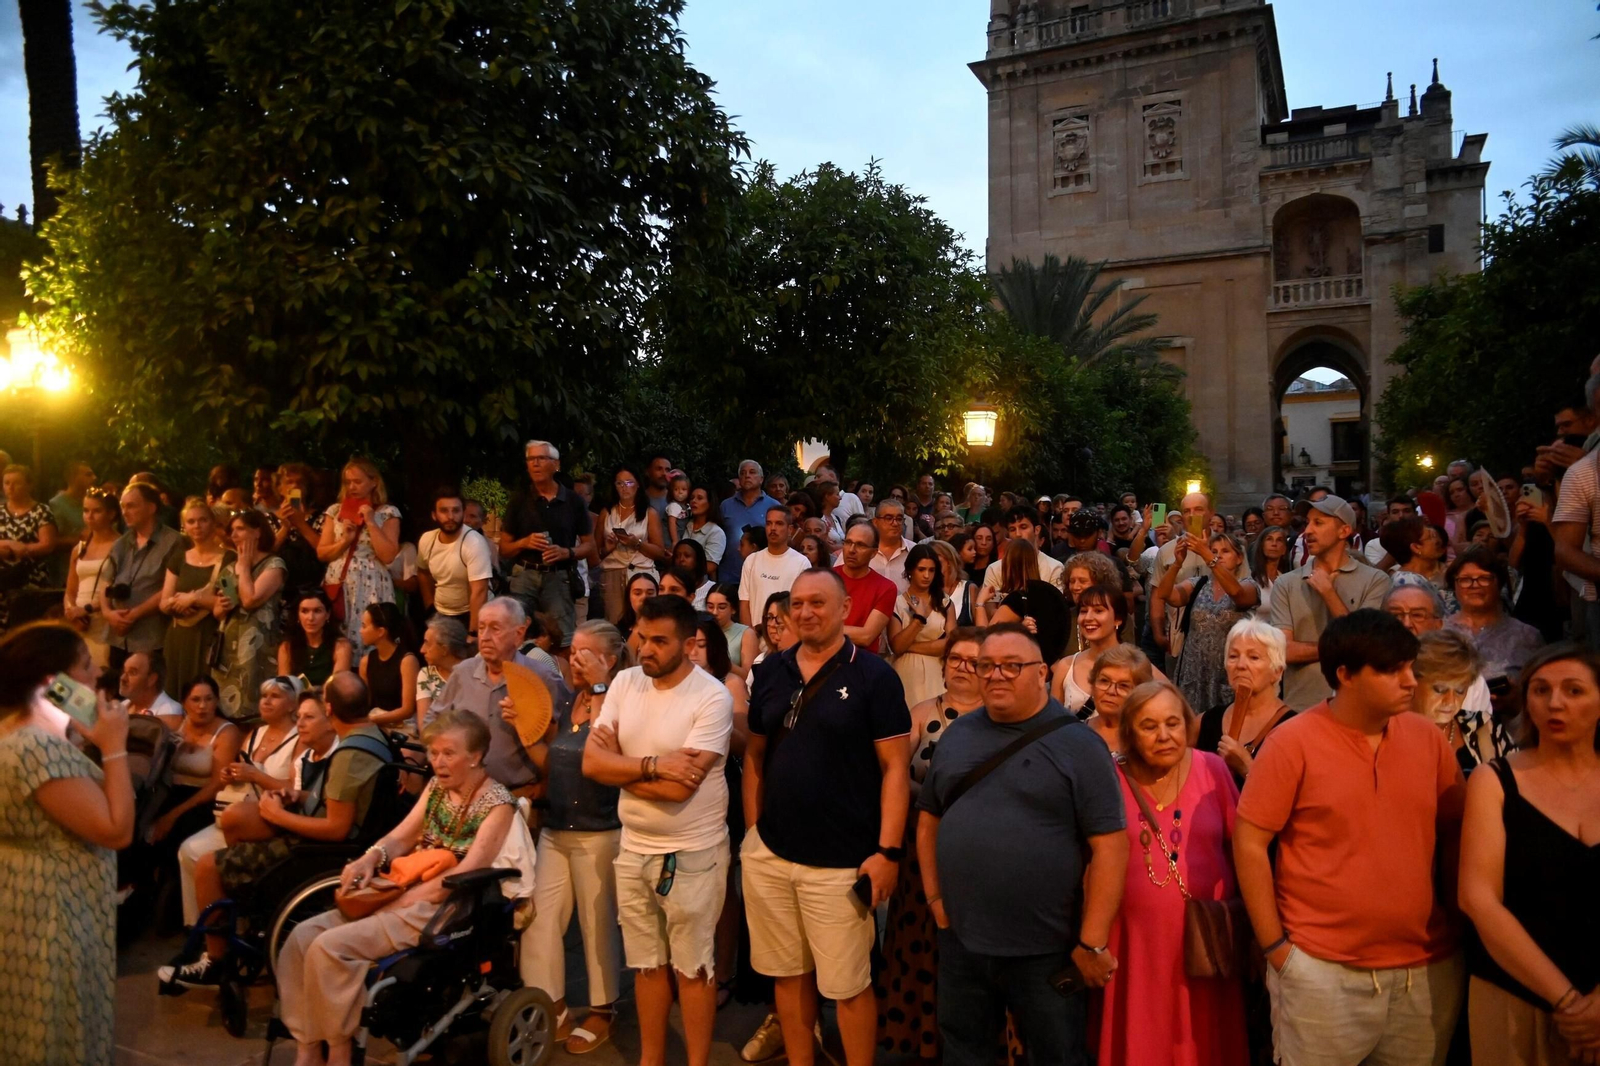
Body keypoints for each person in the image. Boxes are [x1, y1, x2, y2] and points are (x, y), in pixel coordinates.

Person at [1234, 610, 1465, 1066]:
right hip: (1321, 973)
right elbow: (1249, 843)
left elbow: (1456, 831)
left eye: (1410, 668)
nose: (1409, 682)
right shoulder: (1292, 742)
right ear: (1345, 675)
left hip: (1424, 971)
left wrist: (1456, 928)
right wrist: (1277, 949)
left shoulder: (1429, 739)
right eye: (1392, 670)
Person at [917, 624, 1126, 1066]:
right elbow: (929, 817)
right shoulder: (958, 735)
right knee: (964, 1053)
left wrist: (1092, 941)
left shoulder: (1079, 745)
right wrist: (935, 899)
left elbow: (1110, 846)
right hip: (964, 941)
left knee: (1056, 1056)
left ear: (1042, 673)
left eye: (1012, 666)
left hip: (1046, 950)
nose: (996, 675)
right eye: (987, 666)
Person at [276, 708, 522, 1066]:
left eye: (448, 753)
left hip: (444, 905)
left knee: (329, 947)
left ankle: (339, 1049)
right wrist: (369, 859)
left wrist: (403, 900)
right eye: (434, 752)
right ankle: (308, 1045)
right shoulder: (437, 788)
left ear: (476, 756)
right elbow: (401, 837)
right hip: (404, 886)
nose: (438, 762)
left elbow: (469, 869)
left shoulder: (497, 803)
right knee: (300, 938)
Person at [743, 569, 911, 1066]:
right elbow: (755, 756)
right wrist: (753, 833)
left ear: (844, 609)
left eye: (818, 602)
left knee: (848, 986)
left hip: (842, 861)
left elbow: (895, 769)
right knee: (788, 974)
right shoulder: (771, 671)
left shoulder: (874, 676)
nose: (805, 612)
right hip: (772, 853)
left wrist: (888, 852)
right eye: (797, 603)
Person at [582, 595, 733, 1066]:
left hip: (693, 852)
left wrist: (620, 767)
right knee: (646, 966)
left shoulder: (712, 697)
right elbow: (591, 763)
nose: (645, 649)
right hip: (634, 847)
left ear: (688, 645)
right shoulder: (625, 682)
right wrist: (653, 765)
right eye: (641, 637)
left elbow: (677, 791)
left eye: (659, 641)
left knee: (693, 969)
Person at [1459, 644, 1600, 1066]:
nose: (1555, 703)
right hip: (1514, 994)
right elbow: (1478, 899)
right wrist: (1569, 1002)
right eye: (1541, 690)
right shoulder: (1494, 779)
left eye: (1574, 690)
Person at [0, 622, 133, 1066]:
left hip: (25, 896)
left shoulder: (14, 733)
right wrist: (114, 747)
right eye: (86, 666)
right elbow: (116, 830)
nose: (97, 676)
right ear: (53, 683)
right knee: (55, 1025)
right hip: (55, 909)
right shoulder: (37, 747)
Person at [1097, 680, 1248, 1065]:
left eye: (1173, 723)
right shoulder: (1109, 778)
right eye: (1149, 726)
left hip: (1206, 943)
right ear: (1130, 733)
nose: (1164, 735)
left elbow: (1244, 850)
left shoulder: (1213, 769)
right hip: (1133, 947)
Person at [876, 628, 985, 1059]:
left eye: (973, 661)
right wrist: (933, 798)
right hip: (920, 845)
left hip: (977, 852)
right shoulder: (921, 713)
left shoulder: (998, 718)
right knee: (920, 940)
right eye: (955, 658)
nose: (962, 667)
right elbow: (894, 774)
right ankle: (921, 1037)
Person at [524, 620, 626, 1054]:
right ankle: (552, 1003)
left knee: (597, 922)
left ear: (610, 660)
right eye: (574, 652)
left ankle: (603, 1008)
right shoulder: (570, 700)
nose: (575, 660)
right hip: (557, 825)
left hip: (599, 829)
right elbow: (552, 761)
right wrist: (524, 730)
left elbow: (605, 749)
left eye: (586, 653)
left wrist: (601, 688)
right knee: (539, 919)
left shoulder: (620, 700)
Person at [174, 675, 305, 930]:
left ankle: (235, 924)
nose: (266, 702)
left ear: (292, 704)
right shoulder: (255, 734)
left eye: (275, 697)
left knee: (205, 856)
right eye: (264, 696)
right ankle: (198, 926)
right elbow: (240, 771)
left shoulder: (299, 739)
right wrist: (230, 775)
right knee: (188, 850)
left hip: (270, 821)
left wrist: (256, 776)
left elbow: (296, 789)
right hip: (238, 811)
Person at [425, 596, 567, 795]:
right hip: (464, 792)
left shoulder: (544, 678)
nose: (484, 637)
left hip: (519, 794)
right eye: (481, 628)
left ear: (519, 634)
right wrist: (440, 757)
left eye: (495, 629)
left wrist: (545, 785)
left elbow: (561, 745)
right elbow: (432, 720)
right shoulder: (463, 673)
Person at [1270, 495, 1393, 711]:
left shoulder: (1376, 580)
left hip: (1359, 707)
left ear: (1344, 531)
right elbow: (1284, 651)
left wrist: (1329, 593)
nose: (1308, 531)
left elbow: (1367, 647)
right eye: (1307, 522)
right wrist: (1344, 649)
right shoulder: (1286, 583)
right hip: (1300, 707)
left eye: (1318, 523)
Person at [500, 441, 592, 646]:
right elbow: (504, 549)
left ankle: (558, 668)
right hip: (524, 575)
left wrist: (566, 552)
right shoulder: (519, 500)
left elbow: (589, 546)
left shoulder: (573, 501)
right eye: (531, 459)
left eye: (541, 458)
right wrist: (524, 543)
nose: (535, 463)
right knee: (517, 636)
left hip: (559, 577)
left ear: (555, 464)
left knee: (561, 639)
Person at [1160, 531, 1258, 712]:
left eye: (1225, 551)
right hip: (1194, 671)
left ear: (1239, 558)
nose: (1218, 556)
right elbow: (1166, 594)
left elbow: (1238, 594)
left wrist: (1208, 556)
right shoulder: (1199, 584)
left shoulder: (1249, 585)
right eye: (1214, 551)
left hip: (1227, 671)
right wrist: (1177, 564)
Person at [316, 458, 401, 655]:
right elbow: (322, 552)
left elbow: (388, 555)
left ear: (374, 482)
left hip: (371, 582)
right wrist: (345, 541)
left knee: (372, 633)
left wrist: (371, 522)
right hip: (340, 580)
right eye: (348, 482)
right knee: (338, 635)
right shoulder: (335, 511)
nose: (352, 487)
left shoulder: (387, 512)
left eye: (357, 481)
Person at [1196, 620, 1294, 787]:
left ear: (1277, 672)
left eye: (1253, 657)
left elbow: (1292, 796)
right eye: (1233, 656)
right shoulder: (1207, 721)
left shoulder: (1292, 729)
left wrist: (1246, 767)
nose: (1240, 665)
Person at [212, 510, 287, 720]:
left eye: (241, 529)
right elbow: (217, 611)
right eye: (232, 530)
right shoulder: (229, 569)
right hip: (229, 648)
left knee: (254, 705)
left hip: (258, 647)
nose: (234, 535)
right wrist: (222, 606)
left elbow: (250, 600)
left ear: (257, 532)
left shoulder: (274, 565)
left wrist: (244, 568)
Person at [102, 482, 183, 673]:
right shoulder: (120, 543)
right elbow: (106, 582)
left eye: (131, 506)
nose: (125, 512)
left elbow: (171, 587)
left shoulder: (173, 542)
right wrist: (107, 613)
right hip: (117, 638)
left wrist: (134, 615)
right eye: (123, 506)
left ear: (151, 508)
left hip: (150, 638)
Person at [159, 498, 233, 699]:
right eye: (191, 521)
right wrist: (176, 603)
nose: (197, 526)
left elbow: (229, 602)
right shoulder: (179, 558)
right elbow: (164, 602)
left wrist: (194, 599)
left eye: (203, 520)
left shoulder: (228, 558)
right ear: (184, 526)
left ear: (213, 523)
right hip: (179, 636)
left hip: (209, 636)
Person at [1412, 629, 1514, 773]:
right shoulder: (1387, 732)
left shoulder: (1484, 727)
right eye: (1440, 689)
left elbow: (1514, 782)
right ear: (1411, 682)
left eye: (1460, 690)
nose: (1450, 701)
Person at [1445, 545, 1545, 681]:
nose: (1475, 585)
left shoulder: (1527, 636)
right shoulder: (1438, 631)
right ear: (1454, 585)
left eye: (1484, 578)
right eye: (1465, 580)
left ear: (1499, 584)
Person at [596, 462, 669, 626]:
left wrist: (637, 543)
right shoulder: (607, 512)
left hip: (641, 571)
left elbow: (660, 552)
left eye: (629, 483)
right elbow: (595, 553)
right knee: (615, 623)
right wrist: (607, 548)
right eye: (619, 483)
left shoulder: (649, 513)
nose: (624, 488)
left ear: (638, 484)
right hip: (613, 573)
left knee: (646, 622)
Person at [1052, 582, 1139, 715]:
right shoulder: (1066, 666)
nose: (1088, 618)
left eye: (1098, 611)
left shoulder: (1137, 666)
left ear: (1118, 619)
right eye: (1083, 611)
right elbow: (1054, 722)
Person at [416, 486, 493, 636]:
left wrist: (473, 633)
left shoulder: (474, 543)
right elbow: (423, 572)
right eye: (444, 511)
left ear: (463, 513)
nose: (450, 516)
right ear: (434, 515)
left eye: (456, 511)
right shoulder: (427, 540)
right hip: (440, 613)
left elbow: (479, 591)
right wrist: (430, 607)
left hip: (472, 613)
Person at [890, 544, 956, 708]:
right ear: (910, 570)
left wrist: (909, 646)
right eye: (921, 569)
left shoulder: (945, 602)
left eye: (931, 570)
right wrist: (918, 619)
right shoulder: (897, 603)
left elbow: (951, 645)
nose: (927, 575)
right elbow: (897, 647)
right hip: (906, 673)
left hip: (938, 672)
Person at [62, 488, 121, 669]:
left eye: (97, 511)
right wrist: (71, 611)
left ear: (111, 514)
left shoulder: (121, 546)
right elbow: (70, 590)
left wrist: (88, 609)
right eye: (86, 510)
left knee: (101, 669)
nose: (90, 516)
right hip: (80, 622)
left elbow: (118, 590)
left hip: (104, 618)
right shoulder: (79, 548)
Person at [0, 465, 60, 631]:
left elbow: (47, 545)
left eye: (16, 483)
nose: (10, 487)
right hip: (2, 579)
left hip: (30, 579)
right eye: (6, 483)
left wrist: (20, 550)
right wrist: (11, 544)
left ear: (29, 485)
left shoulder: (41, 511)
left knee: (26, 630)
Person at [739, 506, 809, 627]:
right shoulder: (751, 560)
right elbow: (744, 603)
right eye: (769, 523)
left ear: (790, 529)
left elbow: (802, 606)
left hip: (787, 633)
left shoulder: (801, 563)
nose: (773, 528)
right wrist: (751, 634)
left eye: (779, 523)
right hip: (755, 634)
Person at [834, 520, 897, 653]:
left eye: (860, 545)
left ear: (873, 553)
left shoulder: (886, 588)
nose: (852, 550)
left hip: (860, 660)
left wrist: (822, 629)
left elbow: (866, 636)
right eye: (848, 542)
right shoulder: (825, 578)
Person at [1082, 643, 1156, 753]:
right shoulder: (1073, 734)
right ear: (1092, 684)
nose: (1111, 691)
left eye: (1123, 686)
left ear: (1140, 693)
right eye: (1104, 681)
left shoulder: (1150, 737)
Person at [358, 602, 420, 731]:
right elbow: (365, 702)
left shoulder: (407, 661)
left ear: (381, 632)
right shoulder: (366, 662)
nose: (360, 631)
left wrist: (371, 720)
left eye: (364, 626)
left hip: (402, 726)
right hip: (375, 724)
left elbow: (407, 709)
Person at [719, 461, 782, 585]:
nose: (747, 476)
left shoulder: (774, 506)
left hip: (763, 577)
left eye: (752, 472)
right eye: (743, 473)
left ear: (761, 479)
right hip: (729, 577)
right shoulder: (725, 506)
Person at [278, 590, 354, 688]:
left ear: (327, 614)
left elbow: (337, 687)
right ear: (298, 615)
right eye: (305, 611)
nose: (311, 618)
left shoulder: (341, 646)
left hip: (328, 696)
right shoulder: (287, 647)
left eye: (317, 611)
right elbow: (284, 687)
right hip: (295, 696)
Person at [1381, 517, 1458, 613]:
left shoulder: (1445, 571)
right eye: (1431, 537)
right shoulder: (1407, 583)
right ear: (1416, 548)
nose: (1438, 541)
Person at [45, 460, 96, 585]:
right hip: (66, 572)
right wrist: (80, 539)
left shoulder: (92, 501)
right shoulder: (56, 505)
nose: (94, 478)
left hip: (92, 568)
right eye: (88, 474)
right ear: (73, 478)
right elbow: (50, 541)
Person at [707, 583, 757, 680]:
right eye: (710, 607)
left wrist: (724, 662)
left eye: (721, 607)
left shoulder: (746, 634)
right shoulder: (701, 631)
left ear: (733, 609)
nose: (715, 612)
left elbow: (749, 677)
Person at [119, 651, 183, 726]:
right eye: (124, 671)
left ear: (152, 679)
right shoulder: (122, 706)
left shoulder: (170, 712)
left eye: (132, 673)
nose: (123, 678)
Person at [870, 499, 914, 595]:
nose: (895, 523)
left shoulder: (915, 551)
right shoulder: (862, 549)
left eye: (899, 519)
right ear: (875, 522)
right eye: (888, 518)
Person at [681, 484, 728, 574]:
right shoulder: (685, 524)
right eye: (692, 498)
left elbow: (710, 566)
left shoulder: (716, 532)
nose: (694, 501)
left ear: (710, 503)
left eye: (699, 498)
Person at [1249, 525, 1289, 622]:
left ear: (1284, 550)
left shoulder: (1287, 581)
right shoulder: (1250, 579)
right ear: (1261, 546)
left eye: (1279, 540)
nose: (1274, 544)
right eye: (1269, 539)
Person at [617, 571, 660, 651]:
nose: (644, 597)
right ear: (629, 597)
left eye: (650, 593)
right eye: (637, 593)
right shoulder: (618, 631)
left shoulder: (664, 628)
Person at [672, 538, 717, 608]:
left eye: (687, 556)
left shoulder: (713, 589)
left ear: (697, 560)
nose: (681, 559)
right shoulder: (669, 586)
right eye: (677, 556)